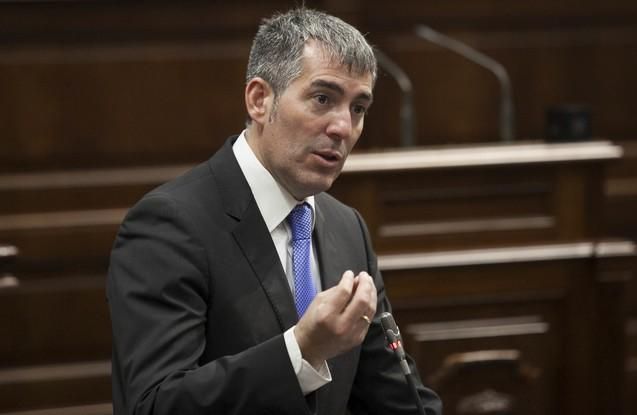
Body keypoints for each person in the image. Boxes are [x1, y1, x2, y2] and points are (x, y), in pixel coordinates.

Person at [107, 7, 442, 415]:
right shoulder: (170, 224)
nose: (343, 127)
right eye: (323, 99)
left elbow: (394, 396)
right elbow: (156, 404)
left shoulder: (346, 226)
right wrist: (300, 351)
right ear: (260, 100)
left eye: (358, 108)